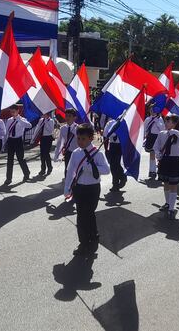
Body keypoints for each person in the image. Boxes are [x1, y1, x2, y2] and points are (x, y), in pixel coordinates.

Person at [64, 123, 110, 256]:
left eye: (83, 139)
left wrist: (91, 168)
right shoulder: (75, 153)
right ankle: (84, 241)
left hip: (93, 189)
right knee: (81, 215)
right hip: (79, 188)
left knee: (88, 213)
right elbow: (70, 171)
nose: (80, 141)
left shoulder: (97, 153)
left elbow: (106, 170)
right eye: (78, 138)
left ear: (90, 138)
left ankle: (91, 237)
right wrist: (67, 188)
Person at [155, 114, 179, 220]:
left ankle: (171, 208)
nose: (166, 123)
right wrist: (157, 153)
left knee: (173, 184)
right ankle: (167, 203)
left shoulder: (178, 134)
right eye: (166, 121)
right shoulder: (162, 133)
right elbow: (156, 146)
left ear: (175, 124)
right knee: (166, 183)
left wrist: (177, 133)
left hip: (174, 161)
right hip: (165, 160)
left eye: (169, 122)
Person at [4, 104, 32, 185]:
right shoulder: (9, 120)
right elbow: (6, 132)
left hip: (18, 141)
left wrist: (18, 119)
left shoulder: (22, 119)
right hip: (10, 141)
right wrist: (4, 143)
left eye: (14, 112)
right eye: (11, 112)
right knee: (10, 160)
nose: (12, 113)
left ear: (17, 111)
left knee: (20, 158)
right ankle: (8, 178)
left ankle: (26, 173)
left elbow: (29, 125)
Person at [103, 116, 126, 192]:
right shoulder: (110, 123)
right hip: (112, 145)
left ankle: (120, 179)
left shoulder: (123, 122)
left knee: (116, 163)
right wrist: (106, 149)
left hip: (121, 145)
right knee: (113, 165)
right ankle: (117, 182)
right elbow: (105, 136)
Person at [55, 108, 80, 174]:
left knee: (76, 170)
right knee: (67, 170)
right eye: (66, 116)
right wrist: (57, 154)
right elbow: (60, 142)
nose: (67, 118)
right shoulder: (63, 128)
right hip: (68, 152)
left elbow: (81, 141)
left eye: (69, 116)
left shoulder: (78, 128)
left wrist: (75, 133)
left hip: (77, 152)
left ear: (74, 118)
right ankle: (68, 183)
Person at [143, 105, 165, 178]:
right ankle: (152, 171)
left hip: (157, 137)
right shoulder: (148, 119)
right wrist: (144, 137)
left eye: (153, 110)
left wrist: (157, 122)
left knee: (158, 154)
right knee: (152, 155)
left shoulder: (160, 119)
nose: (152, 111)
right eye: (151, 110)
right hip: (150, 137)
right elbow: (145, 129)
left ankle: (161, 170)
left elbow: (162, 128)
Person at [33, 111, 56, 177]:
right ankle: (43, 169)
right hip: (42, 138)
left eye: (44, 114)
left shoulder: (51, 120)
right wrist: (34, 138)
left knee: (46, 153)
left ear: (47, 114)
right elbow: (38, 128)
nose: (43, 115)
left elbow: (50, 130)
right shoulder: (41, 120)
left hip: (48, 138)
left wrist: (45, 121)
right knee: (42, 154)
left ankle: (49, 167)